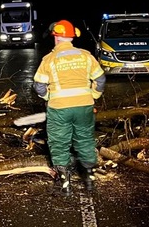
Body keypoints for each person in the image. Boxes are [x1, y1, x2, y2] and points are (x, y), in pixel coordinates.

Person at [33, 19, 105, 195]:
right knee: (85, 140)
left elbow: (39, 86)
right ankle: (89, 180)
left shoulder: (49, 59)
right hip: (84, 106)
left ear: (56, 37)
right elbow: (100, 79)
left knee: (59, 143)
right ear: (73, 37)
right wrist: (93, 96)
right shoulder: (86, 56)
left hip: (59, 108)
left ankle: (65, 185)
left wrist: (49, 97)